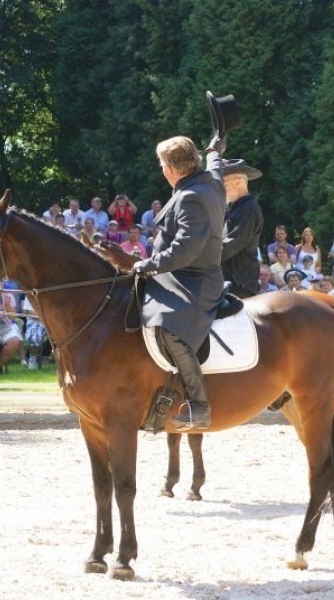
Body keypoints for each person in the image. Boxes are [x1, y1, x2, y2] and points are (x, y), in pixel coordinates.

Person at [132, 133, 226, 431]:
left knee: (170, 328)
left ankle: (199, 405)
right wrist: (214, 150)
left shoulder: (190, 197)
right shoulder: (210, 182)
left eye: (162, 164)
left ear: (171, 169)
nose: (162, 169)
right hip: (181, 274)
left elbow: (186, 248)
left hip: (193, 280)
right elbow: (216, 166)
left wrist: (148, 265)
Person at [219, 158, 263, 297]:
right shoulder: (231, 208)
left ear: (238, 182)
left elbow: (231, 244)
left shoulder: (249, 208)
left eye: (223, 183)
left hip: (240, 285)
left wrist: (202, 259)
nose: (221, 189)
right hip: (225, 281)